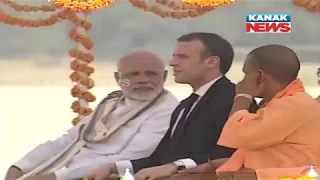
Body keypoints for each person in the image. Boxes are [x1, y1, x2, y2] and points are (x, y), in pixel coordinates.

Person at [89, 32, 258, 180]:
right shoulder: (185, 105)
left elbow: (231, 154)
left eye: (182, 57)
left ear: (211, 62)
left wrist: (175, 166)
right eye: (174, 56)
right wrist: (114, 167)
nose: (172, 63)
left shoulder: (233, 99)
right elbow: (160, 158)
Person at [5, 51, 179, 180]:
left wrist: (55, 177)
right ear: (119, 78)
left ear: (164, 77)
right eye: (133, 74)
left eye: (151, 74)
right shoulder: (112, 101)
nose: (143, 80)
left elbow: (131, 158)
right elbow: (70, 140)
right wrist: (19, 166)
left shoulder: (167, 109)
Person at [183, 44, 320, 180]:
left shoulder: (293, 105)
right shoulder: (285, 103)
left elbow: (239, 135)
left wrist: (242, 97)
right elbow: (269, 153)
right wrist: (213, 167)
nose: (242, 81)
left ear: (260, 77)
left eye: (246, 74)